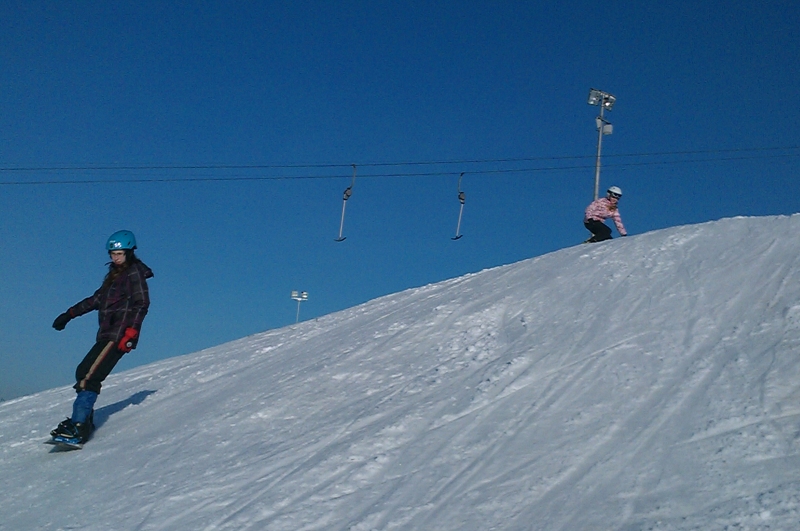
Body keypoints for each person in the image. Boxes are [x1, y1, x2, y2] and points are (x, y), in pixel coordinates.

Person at [50, 230, 153, 443]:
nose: (116, 258)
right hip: (107, 333)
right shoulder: (114, 277)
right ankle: (83, 422)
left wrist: (131, 332)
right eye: (113, 254)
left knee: (90, 376)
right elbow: (95, 300)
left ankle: (79, 425)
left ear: (129, 252)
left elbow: (141, 303)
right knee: (83, 372)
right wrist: (69, 315)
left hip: (120, 333)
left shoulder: (134, 272)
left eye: (120, 253)